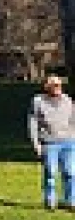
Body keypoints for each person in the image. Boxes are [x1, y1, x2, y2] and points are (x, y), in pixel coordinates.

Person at [30, 75, 75, 209]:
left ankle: (71, 201)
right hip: (49, 143)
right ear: (47, 87)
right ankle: (50, 201)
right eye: (55, 85)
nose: (58, 88)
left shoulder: (67, 100)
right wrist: (36, 144)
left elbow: (73, 120)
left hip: (69, 142)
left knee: (70, 172)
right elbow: (33, 123)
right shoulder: (38, 101)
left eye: (60, 85)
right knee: (50, 172)